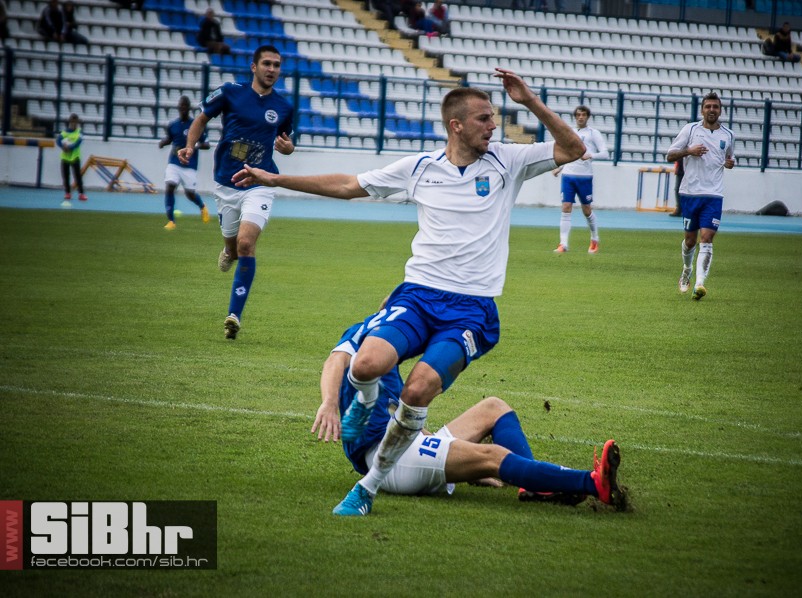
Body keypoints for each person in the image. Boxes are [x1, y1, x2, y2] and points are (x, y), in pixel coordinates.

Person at [232, 67, 585, 516]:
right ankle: (364, 404)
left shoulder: (507, 161)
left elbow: (574, 149)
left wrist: (530, 101)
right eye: (483, 119)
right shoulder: (419, 168)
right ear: (456, 125)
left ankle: (368, 487)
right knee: (366, 363)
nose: (493, 126)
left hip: (470, 308)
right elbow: (347, 185)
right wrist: (276, 179)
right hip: (418, 293)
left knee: (418, 391)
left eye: (494, 118)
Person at [313, 309, 626, 511]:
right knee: (493, 458)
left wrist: (435, 445)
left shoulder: (391, 346)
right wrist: (329, 403)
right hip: (389, 462)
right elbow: (335, 361)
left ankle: (534, 486)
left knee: (494, 407)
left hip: (406, 444)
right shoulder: (368, 333)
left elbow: (398, 411)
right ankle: (592, 484)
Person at [178, 45, 294, 340]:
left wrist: (288, 148)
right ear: (253, 67)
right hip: (226, 183)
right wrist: (190, 145)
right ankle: (228, 250)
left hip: (261, 183)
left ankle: (234, 315)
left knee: (246, 243)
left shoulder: (284, 107)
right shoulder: (230, 91)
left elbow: (287, 140)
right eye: (267, 63)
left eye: (277, 65)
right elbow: (201, 118)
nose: (272, 69)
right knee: (233, 244)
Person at [666, 91, 735, 301]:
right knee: (690, 240)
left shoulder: (728, 135)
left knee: (707, 238)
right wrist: (689, 150)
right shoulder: (690, 130)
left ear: (720, 110)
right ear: (702, 110)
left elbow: (729, 157)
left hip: (713, 195)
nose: (711, 110)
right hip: (690, 193)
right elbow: (670, 155)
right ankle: (687, 269)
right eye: (708, 107)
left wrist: (730, 163)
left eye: (715, 107)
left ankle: (700, 283)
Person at [550, 105, 609, 254]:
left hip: (584, 177)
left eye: (583, 115)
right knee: (566, 207)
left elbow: (605, 153)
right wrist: (560, 167)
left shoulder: (593, 133)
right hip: (568, 176)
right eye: (578, 115)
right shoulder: (571, 133)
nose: (580, 117)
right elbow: (568, 154)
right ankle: (563, 244)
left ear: (587, 117)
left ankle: (594, 239)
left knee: (587, 210)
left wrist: (591, 155)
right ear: (575, 117)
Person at [159, 96, 211, 230]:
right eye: (181, 106)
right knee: (170, 186)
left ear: (188, 108)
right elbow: (170, 139)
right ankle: (171, 221)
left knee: (190, 193)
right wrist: (163, 143)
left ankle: (202, 206)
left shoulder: (195, 125)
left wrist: (193, 148)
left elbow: (206, 144)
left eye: (185, 106)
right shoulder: (173, 125)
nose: (182, 108)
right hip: (174, 162)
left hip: (189, 165)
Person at [56, 113, 87, 207]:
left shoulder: (79, 132)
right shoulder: (64, 132)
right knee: (66, 175)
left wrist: (70, 147)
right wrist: (63, 147)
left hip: (75, 157)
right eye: (72, 122)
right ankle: (67, 192)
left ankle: (81, 194)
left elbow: (79, 142)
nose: (74, 124)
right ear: (70, 122)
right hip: (65, 157)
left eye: (75, 122)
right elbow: (58, 141)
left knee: (77, 176)